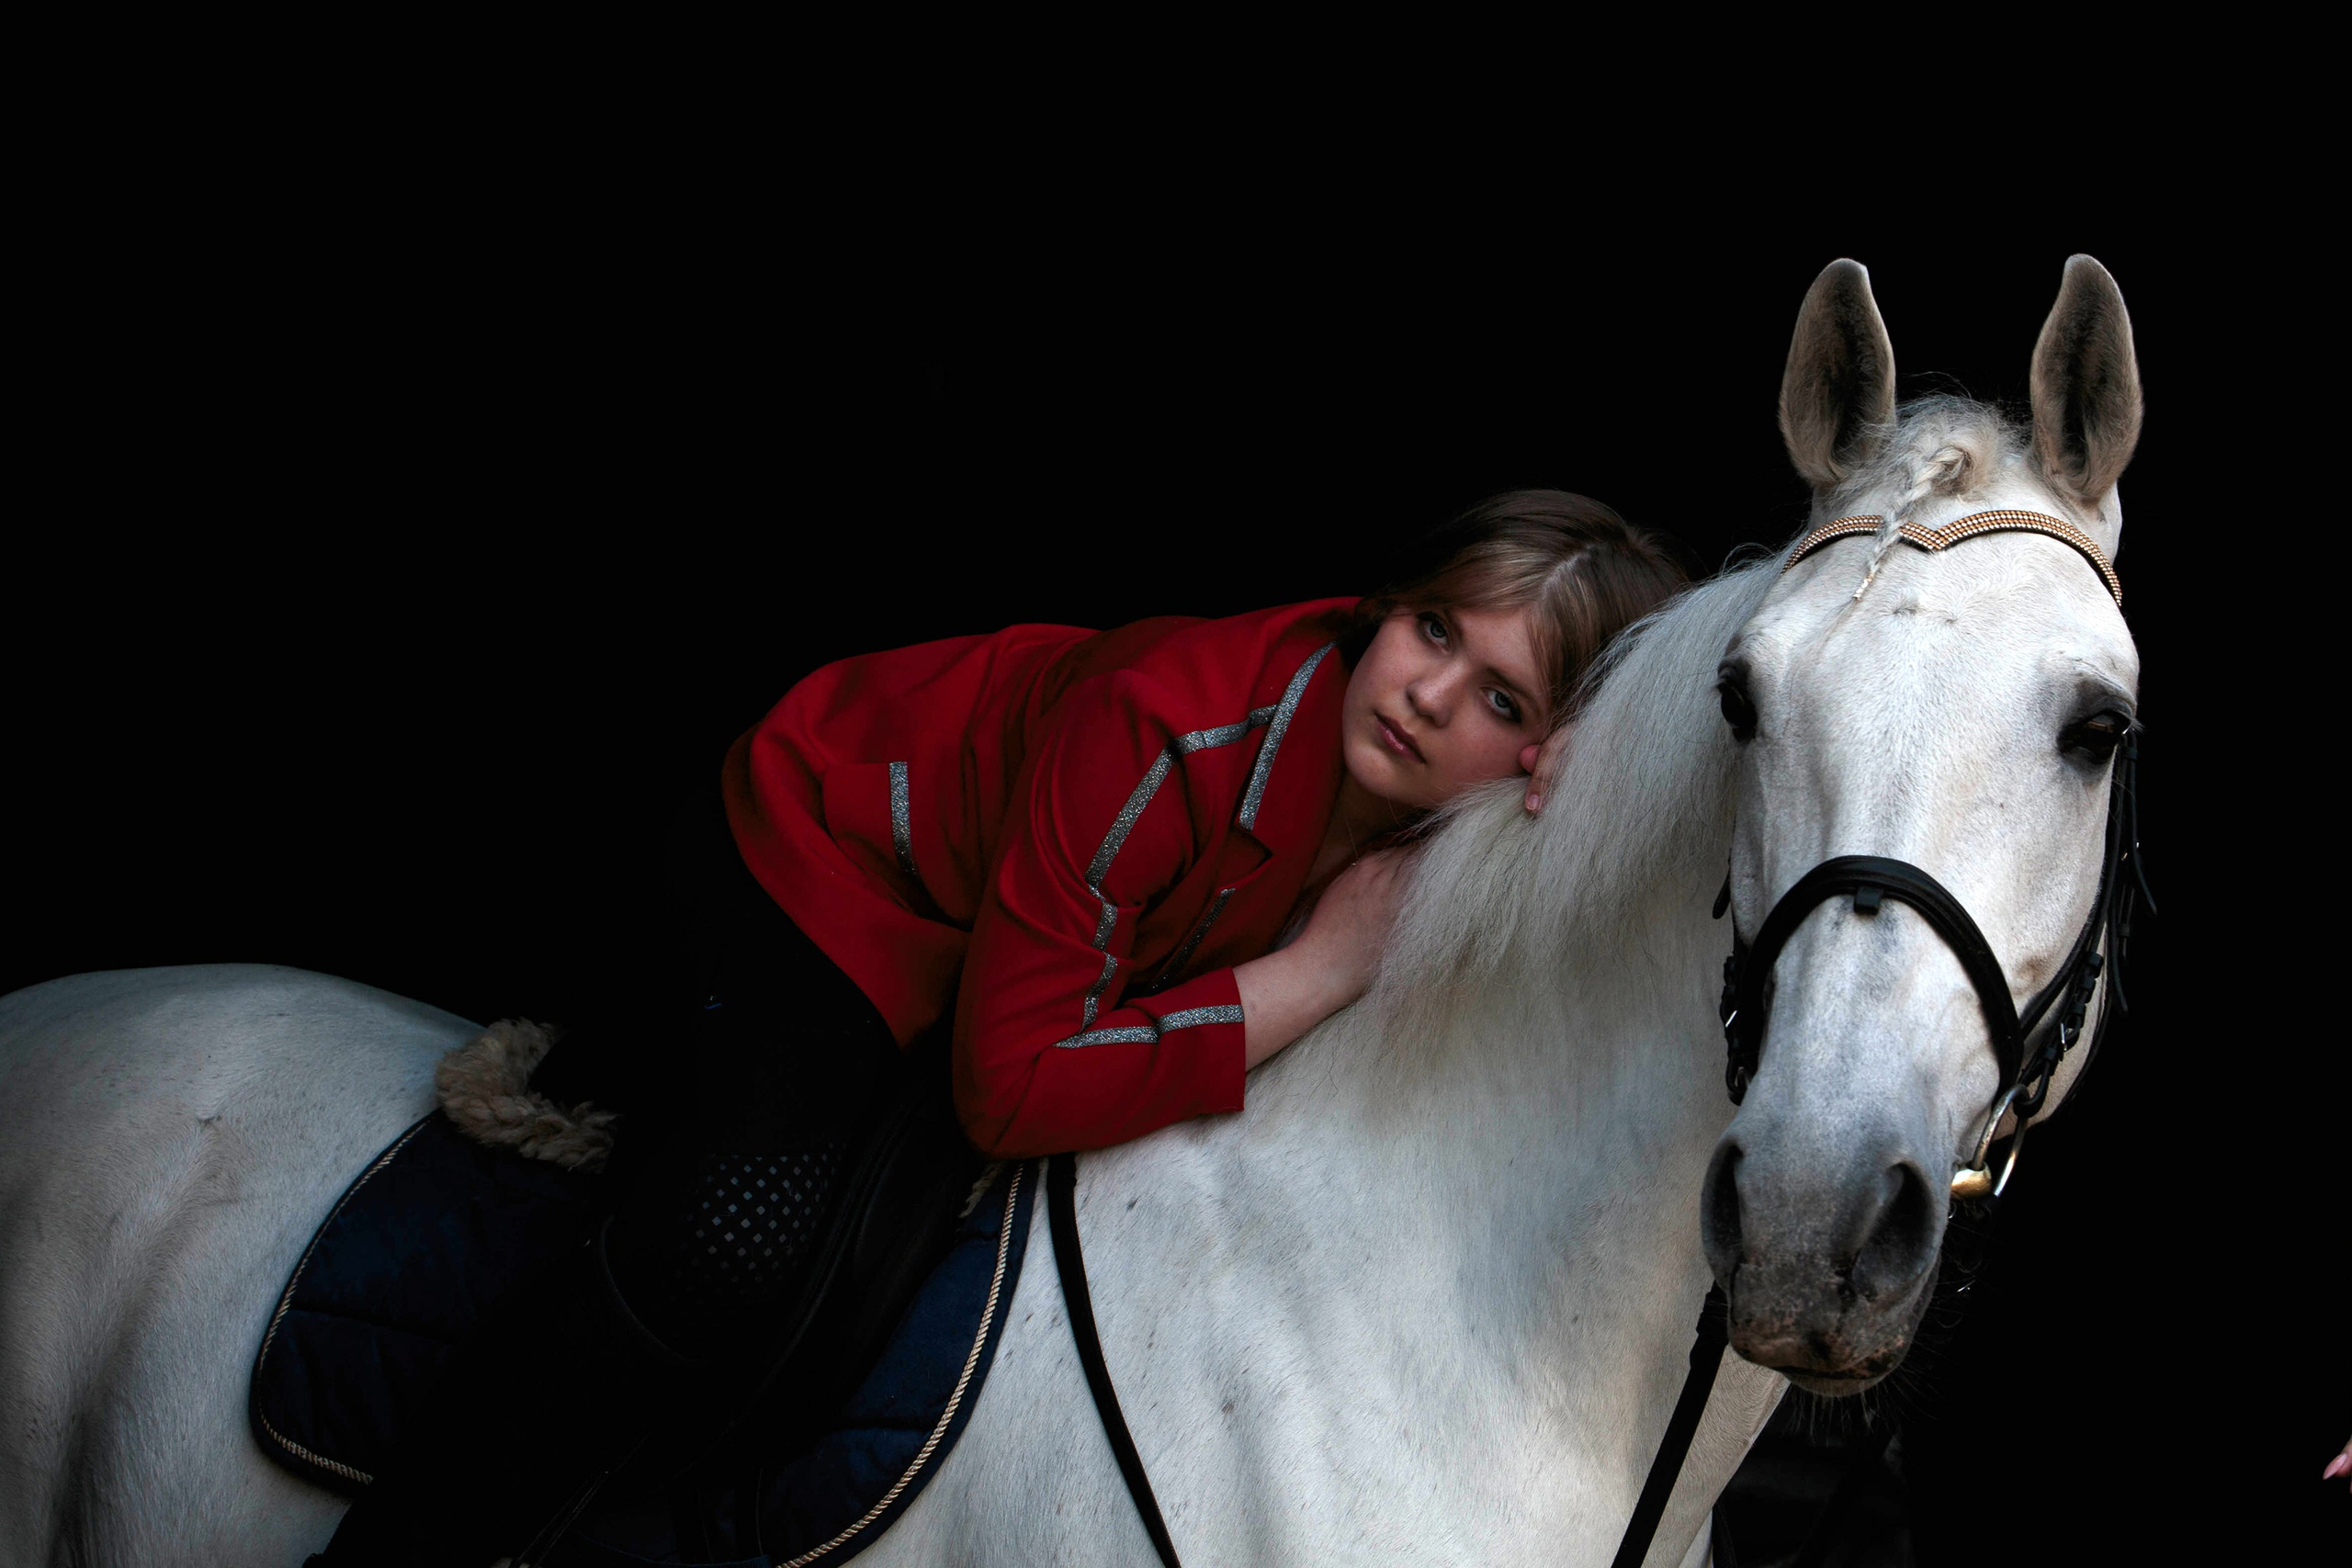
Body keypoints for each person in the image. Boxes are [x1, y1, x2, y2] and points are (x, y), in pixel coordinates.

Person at [319, 489, 1690, 1565]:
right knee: (741, 1234)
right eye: (1434, 630)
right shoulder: (1169, 728)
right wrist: (1318, 976)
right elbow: (1011, 1088)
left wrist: (1615, 753)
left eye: (1505, 701)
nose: (1429, 695)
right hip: (837, 867)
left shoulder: (1474, 823)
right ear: (1384, 608)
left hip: (1044, 964)